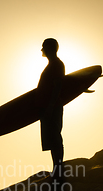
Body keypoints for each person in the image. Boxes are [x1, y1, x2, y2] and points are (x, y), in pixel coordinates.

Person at [38, 38, 65, 179]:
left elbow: (58, 86)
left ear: (49, 48)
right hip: (47, 107)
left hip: (52, 107)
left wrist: (50, 106)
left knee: (55, 137)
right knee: (51, 138)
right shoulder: (52, 65)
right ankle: (56, 167)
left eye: (43, 47)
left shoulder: (56, 65)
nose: (41, 49)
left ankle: (59, 168)